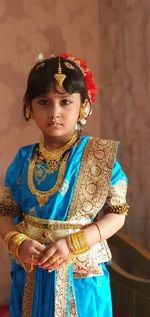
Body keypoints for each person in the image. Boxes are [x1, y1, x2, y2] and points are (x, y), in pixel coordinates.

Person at [0, 52, 129, 317]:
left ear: (83, 106)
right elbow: (4, 211)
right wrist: (17, 241)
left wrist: (73, 244)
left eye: (65, 102)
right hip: (31, 272)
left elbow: (117, 214)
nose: (54, 112)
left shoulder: (99, 157)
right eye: (44, 101)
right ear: (29, 107)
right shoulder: (23, 159)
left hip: (82, 277)